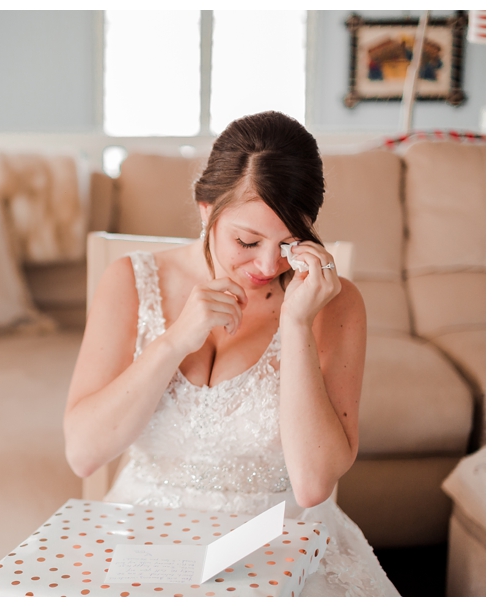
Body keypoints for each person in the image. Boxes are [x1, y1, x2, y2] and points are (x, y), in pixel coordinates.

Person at [63, 111, 399, 596]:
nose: (266, 264)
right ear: (206, 210)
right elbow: (83, 454)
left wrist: (297, 324)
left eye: (288, 243)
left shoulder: (335, 303)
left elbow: (311, 485)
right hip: (143, 541)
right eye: (246, 240)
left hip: (276, 547)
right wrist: (176, 339)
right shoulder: (130, 282)